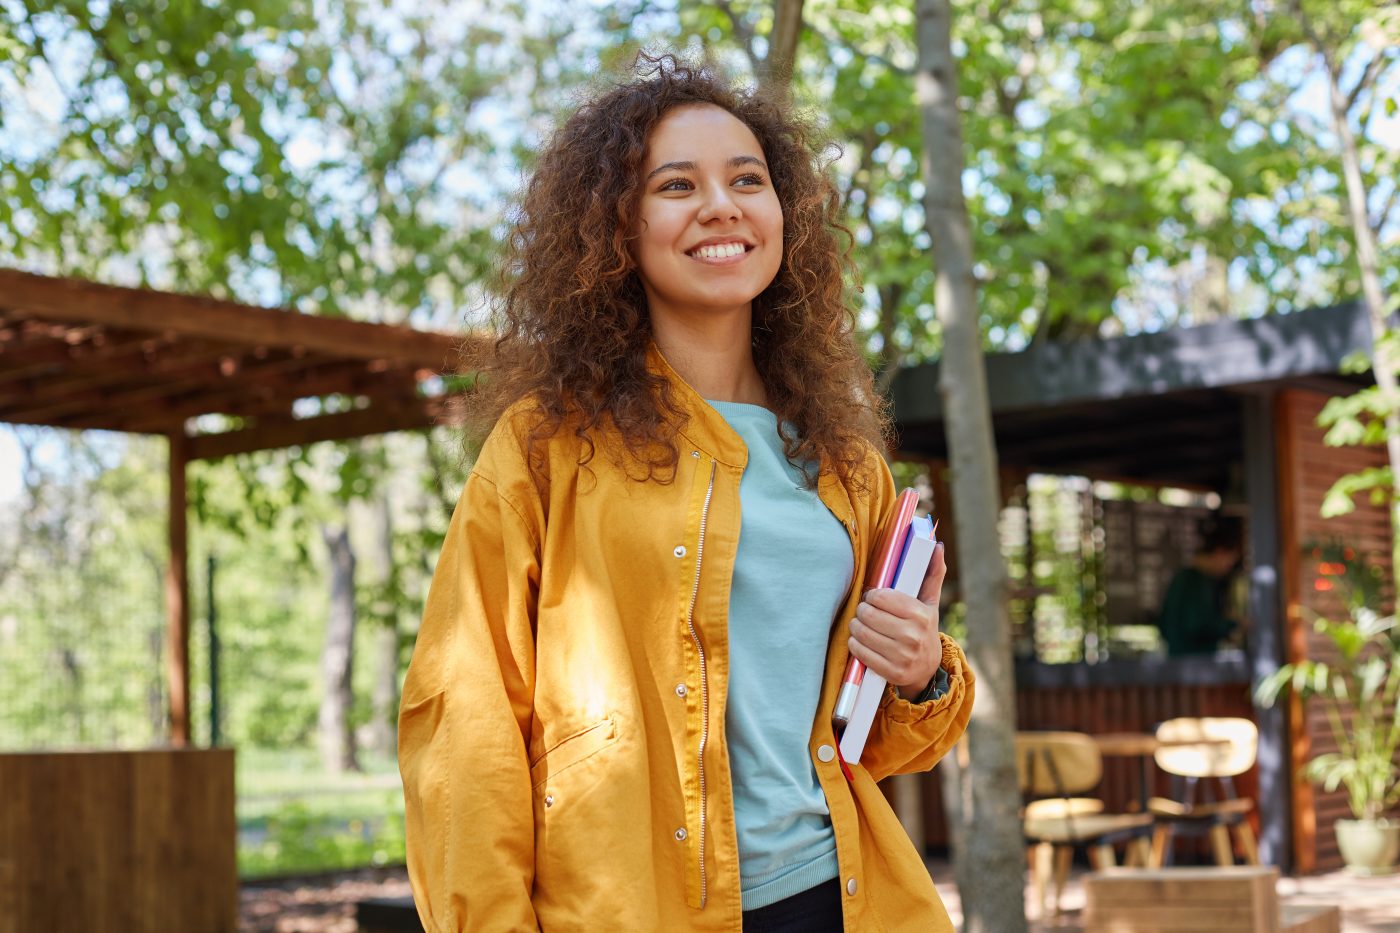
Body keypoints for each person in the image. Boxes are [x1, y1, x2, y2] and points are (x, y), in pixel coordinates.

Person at [397, 54, 974, 933]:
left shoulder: (846, 462)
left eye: (749, 179)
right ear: (616, 229)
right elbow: (463, 725)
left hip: (839, 899)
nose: (722, 205)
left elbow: (877, 741)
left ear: (785, 216)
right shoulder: (546, 446)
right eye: (677, 184)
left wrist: (923, 669)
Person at [1156, 520, 1244, 657]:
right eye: (1228, 563)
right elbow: (1197, 625)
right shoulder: (1193, 581)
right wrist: (1232, 624)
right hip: (1193, 662)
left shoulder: (1185, 578)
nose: (1227, 569)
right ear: (1220, 553)